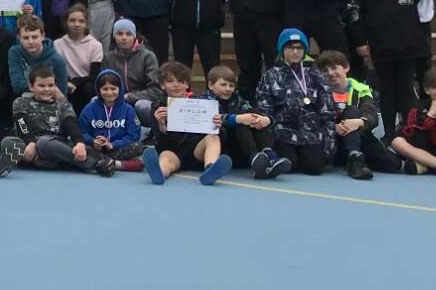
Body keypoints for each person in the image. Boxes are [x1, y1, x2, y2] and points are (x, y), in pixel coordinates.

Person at [348, 0, 436, 136]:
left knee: (406, 90)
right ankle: (389, 132)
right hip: (381, 47)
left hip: (408, 47)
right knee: (387, 91)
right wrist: (361, 42)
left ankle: (408, 130)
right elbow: (354, 14)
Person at [251, 28, 333, 178]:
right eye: (290, 47)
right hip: (283, 132)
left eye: (299, 48)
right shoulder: (270, 76)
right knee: (290, 166)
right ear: (282, 50)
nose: (295, 52)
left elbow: (326, 110)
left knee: (315, 168)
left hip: (311, 132)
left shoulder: (316, 76)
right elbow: (264, 108)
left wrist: (329, 143)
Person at [139, 62, 232, 186]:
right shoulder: (158, 107)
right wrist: (161, 124)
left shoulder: (203, 103)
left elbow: (223, 137)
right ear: (162, 85)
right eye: (170, 81)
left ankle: (211, 168)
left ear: (187, 84)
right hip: (175, 152)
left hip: (198, 152)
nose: (176, 85)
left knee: (213, 138)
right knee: (166, 156)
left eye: (181, 81)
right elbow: (161, 142)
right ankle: (159, 172)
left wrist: (217, 126)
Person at [318, 50, 402, 181]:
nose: (330, 73)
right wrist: (334, 127)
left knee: (393, 163)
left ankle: (354, 155)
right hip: (332, 138)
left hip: (359, 135)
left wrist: (359, 122)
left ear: (346, 67)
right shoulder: (319, 91)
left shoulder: (361, 89)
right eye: (325, 71)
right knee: (352, 110)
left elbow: (372, 115)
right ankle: (354, 159)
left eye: (334, 68)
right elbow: (316, 118)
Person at [11, 67, 111, 175]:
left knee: (44, 143)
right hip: (30, 144)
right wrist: (30, 142)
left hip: (54, 144)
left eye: (51, 85)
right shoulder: (21, 103)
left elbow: (71, 124)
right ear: (31, 86)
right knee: (9, 142)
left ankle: (95, 164)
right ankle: (64, 163)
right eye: (41, 86)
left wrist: (79, 143)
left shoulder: (63, 105)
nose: (47, 89)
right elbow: (22, 124)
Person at [6, 13, 64, 96]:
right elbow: (17, 85)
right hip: (23, 99)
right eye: (26, 38)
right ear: (19, 38)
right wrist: (46, 86)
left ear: (43, 36)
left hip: (50, 101)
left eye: (35, 37)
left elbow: (62, 93)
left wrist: (36, 87)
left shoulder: (57, 60)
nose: (30, 42)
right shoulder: (14, 53)